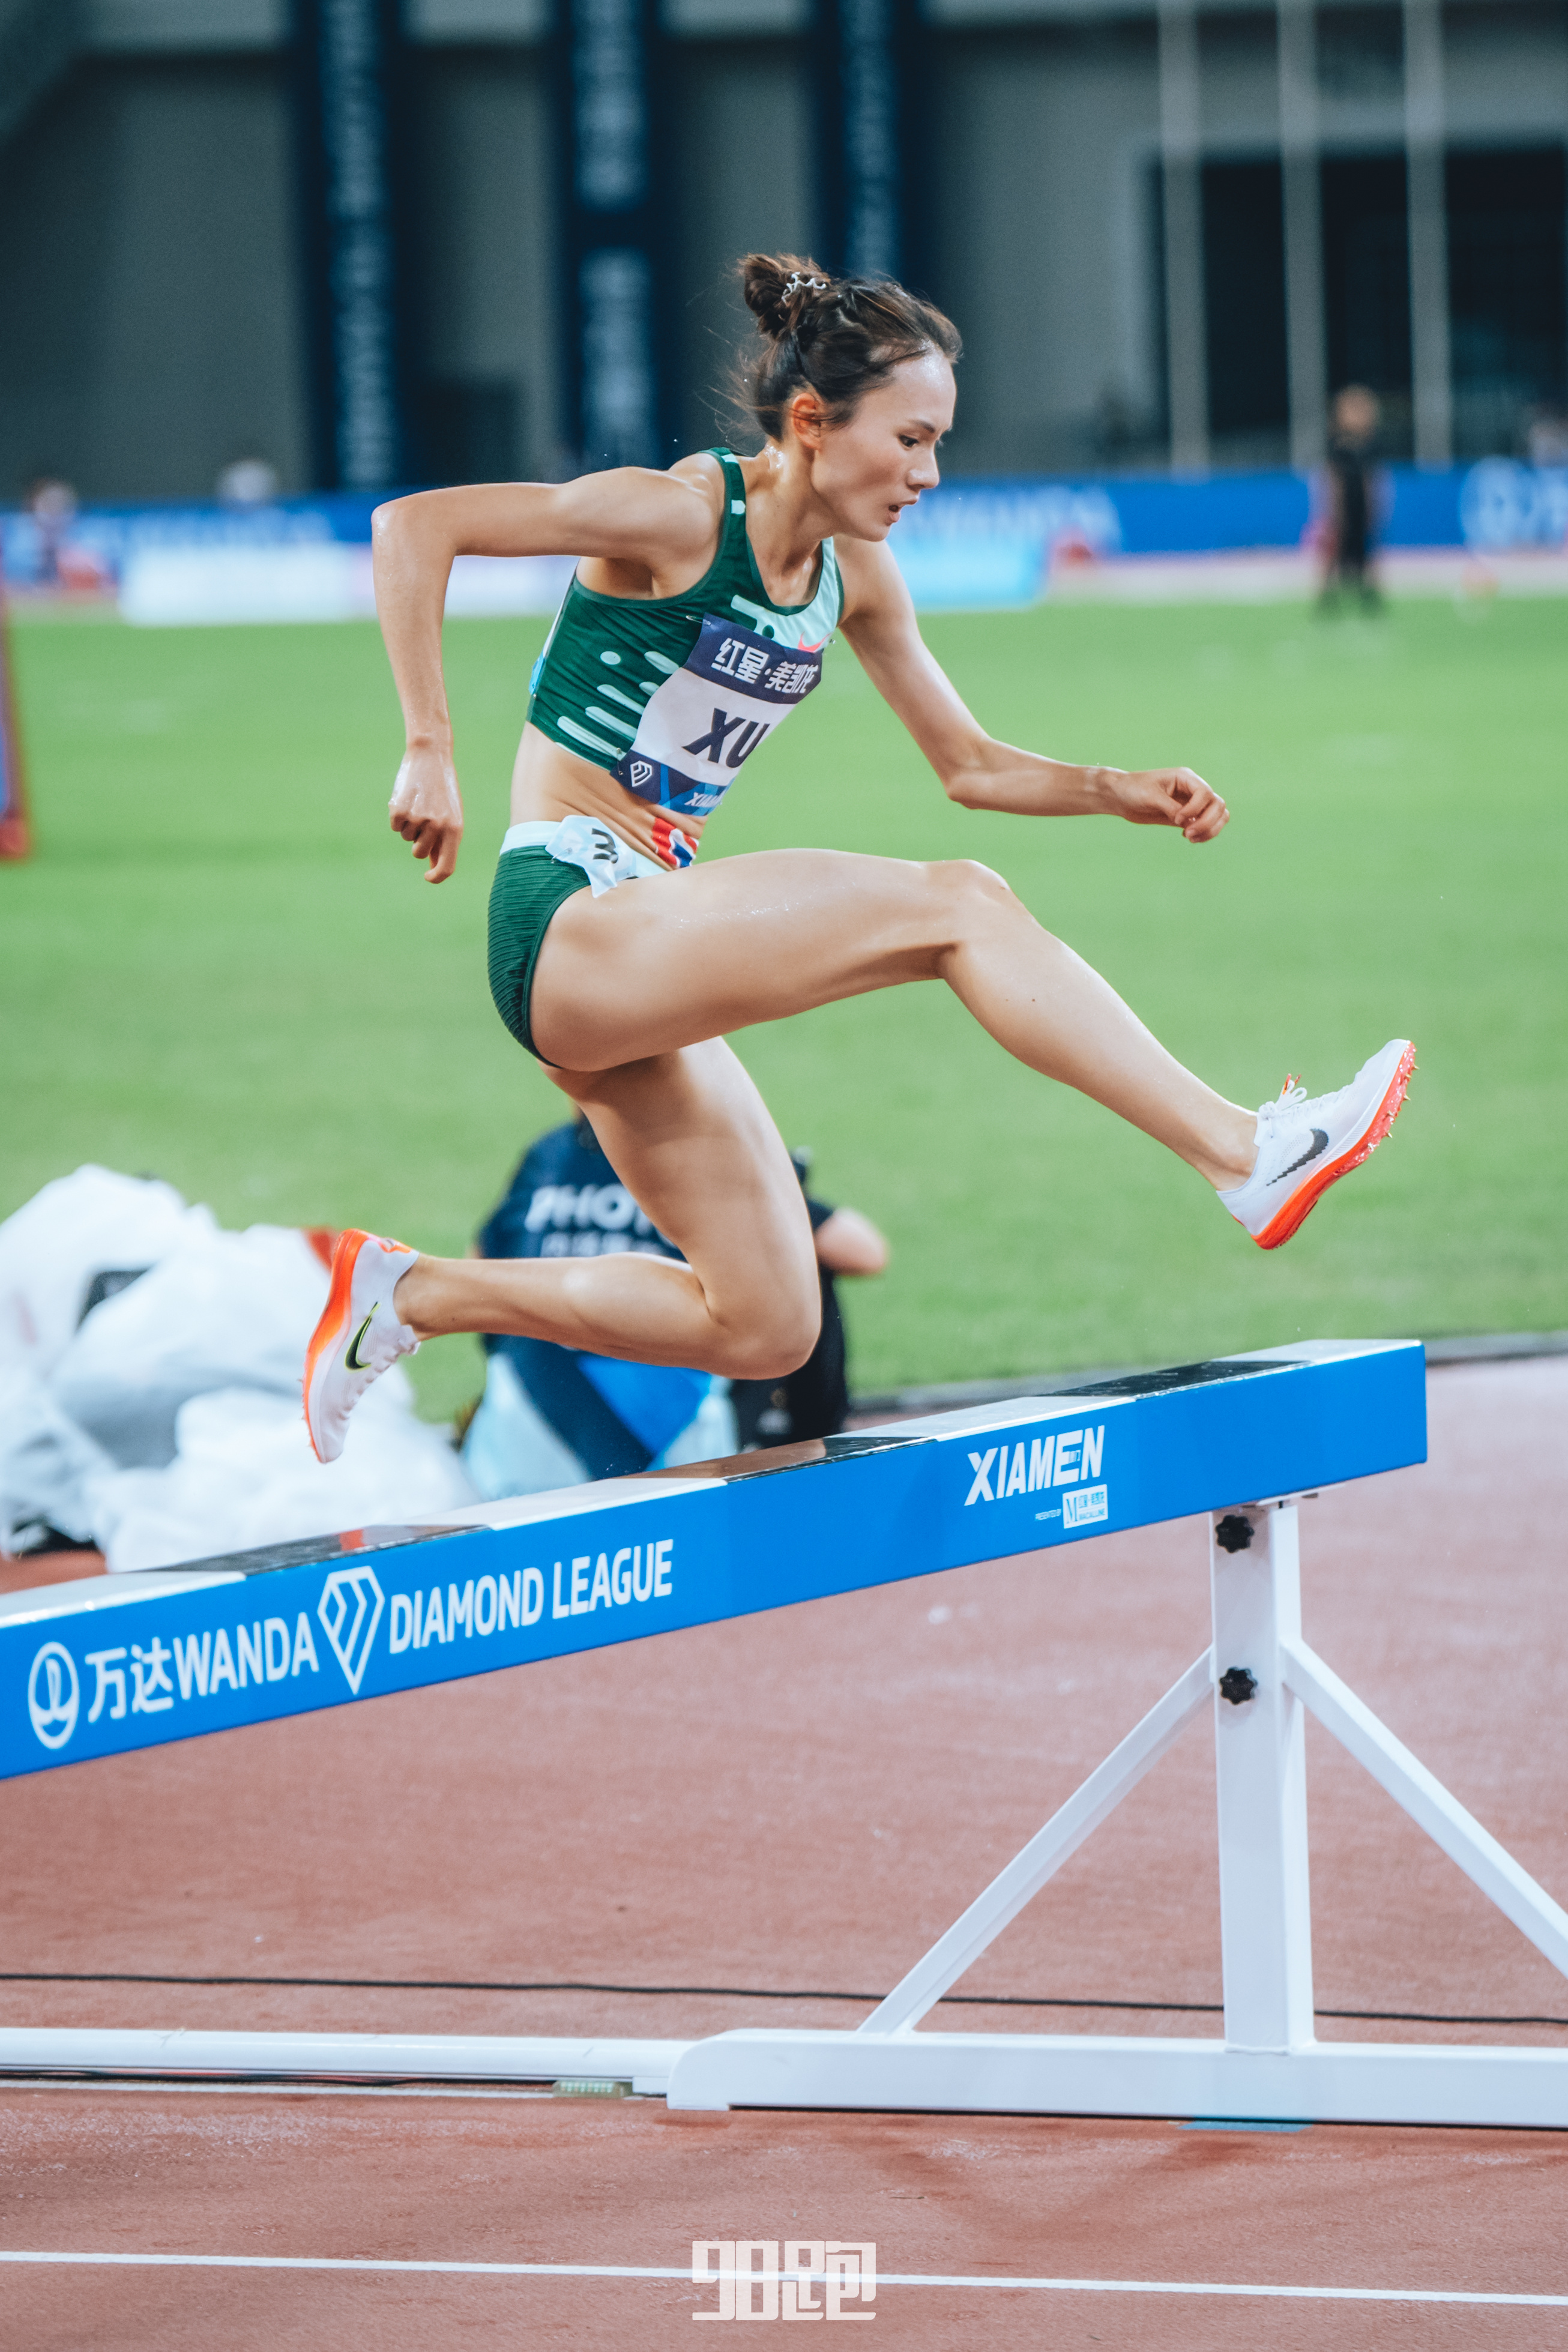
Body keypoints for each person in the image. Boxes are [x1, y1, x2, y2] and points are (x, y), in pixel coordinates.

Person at [304, 253, 1414, 1463]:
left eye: (940, 444)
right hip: (567, 911)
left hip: (639, 949)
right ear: (811, 423)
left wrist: (1114, 791)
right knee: (960, 909)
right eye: (911, 440)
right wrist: (429, 750)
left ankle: (405, 1298)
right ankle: (1241, 1152)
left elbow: (969, 765)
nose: (929, 475)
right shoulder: (681, 513)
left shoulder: (853, 579)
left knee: (769, 1322)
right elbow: (415, 527)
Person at [460, 1117, 887, 1494]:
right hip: (676, 1465)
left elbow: (477, 1266)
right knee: (796, 1279)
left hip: (511, 1462)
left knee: (523, 1314)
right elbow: (865, 1252)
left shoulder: (550, 1152)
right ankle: (816, 1456)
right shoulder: (699, 1154)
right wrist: (784, 1195)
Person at [1319, 386, 1382, 608]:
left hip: (1361, 505)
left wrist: (1375, 506)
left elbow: (1373, 479)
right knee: (1335, 549)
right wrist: (1331, 507)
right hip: (1342, 506)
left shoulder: (1369, 446)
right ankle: (1327, 596)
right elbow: (1330, 478)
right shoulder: (1336, 444)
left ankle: (1368, 593)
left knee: (1365, 549)